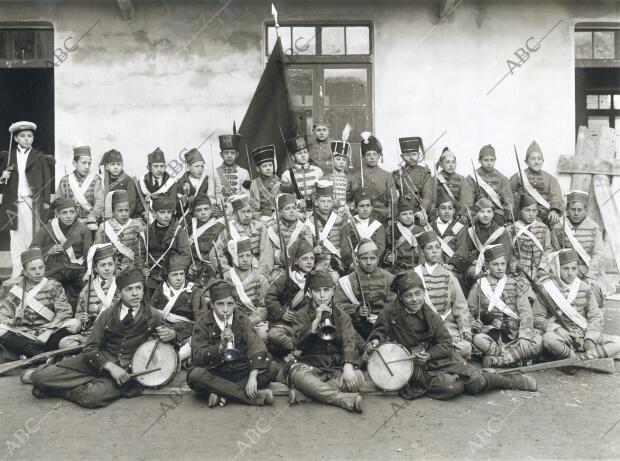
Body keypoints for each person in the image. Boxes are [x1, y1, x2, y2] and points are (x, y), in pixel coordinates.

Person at [366, 271, 536, 401]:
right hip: (409, 364)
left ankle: (510, 381)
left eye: (418, 293)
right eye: (408, 296)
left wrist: (430, 355)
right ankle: (471, 377)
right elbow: (379, 330)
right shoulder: (390, 312)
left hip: (438, 358)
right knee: (449, 387)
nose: (414, 299)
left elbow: (446, 343)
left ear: (423, 292)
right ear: (401, 297)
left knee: (476, 381)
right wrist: (375, 340)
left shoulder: (429, 315)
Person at [29, 267, 175, 408]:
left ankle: (56, 390)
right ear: (120, 292)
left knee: (91, 397)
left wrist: (172, 335)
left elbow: (172, 344)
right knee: (39, 377)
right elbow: (90, 348)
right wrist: (109, 366)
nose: (135, 293)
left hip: (125, 372)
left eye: (138, 288)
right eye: (128, 289)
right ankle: (73, 383)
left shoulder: (153, 315)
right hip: (96, 362)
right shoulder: (107, 315)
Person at [187, 280, 279, 407]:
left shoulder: (242, 319)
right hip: (216, 372)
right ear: (212, 305)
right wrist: (219, 348)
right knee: (195, 375)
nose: (225, 309)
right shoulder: (203, 323)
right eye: (220, 304)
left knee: (273, 367)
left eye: (230, 304)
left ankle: (222, 393)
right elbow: (197, 356)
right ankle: (252, 397)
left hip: (240, 370)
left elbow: (255, 345)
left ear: (235, 303)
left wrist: (252, 377)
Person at [287, 271, 364, 412]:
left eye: (326, 290)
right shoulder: (301, 315)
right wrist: (315, 322)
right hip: (311, 366)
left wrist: (347, 366)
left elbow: (349, 342)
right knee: (296, 375)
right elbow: (297, 344)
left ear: (333, 291)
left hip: (336, 368)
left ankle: (306, 395)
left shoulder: (343, 316)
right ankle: (341, 399)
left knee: (358, 376)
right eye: (317, 291)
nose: (322, 296)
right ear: (310, 293)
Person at [534, 249, 620, 363]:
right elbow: (536, 318)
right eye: (565, 268)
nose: (570, 273)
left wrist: (590, 339)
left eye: (574, 268)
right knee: (548, 339)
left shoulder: (584, 288)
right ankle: (576, 357)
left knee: (617, 342)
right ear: (558, 268)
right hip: (561, 338)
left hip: (583, 336)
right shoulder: (547, 289)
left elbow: (596, 317)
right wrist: (557, 328)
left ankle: (581, 359)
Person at [468, 245, 542, 368]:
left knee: (538, 341)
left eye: (502, 264)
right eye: (495, 264)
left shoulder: (515, 284)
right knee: (478, 339)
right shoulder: (479, 286)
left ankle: (498, 360)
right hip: (492, 333)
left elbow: (525, 312)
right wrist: (473, 323)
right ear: (487, 265)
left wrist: (524, 337)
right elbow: (469, 310)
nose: (500, 268)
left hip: (515, 332)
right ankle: (514, 358)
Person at [0, 248, 74, 363]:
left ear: (45, 267)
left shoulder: (54, 286)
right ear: (24, 272)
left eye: (41, 267)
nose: (38, 272)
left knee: (73, 324)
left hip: (48, 333)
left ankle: (25, 354)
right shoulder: (16, 290)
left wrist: (48, 331)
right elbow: (3, 316)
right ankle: (39, 355)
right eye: (33, 269)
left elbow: (65, 312)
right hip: (24, 335)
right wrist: (12, 320)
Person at [0, 121, 52, 278]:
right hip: (13, 203)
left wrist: (45, 202)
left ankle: (33, 271)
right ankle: (17, 272)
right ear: (15, 138)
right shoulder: (7, 156)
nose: (26, 139)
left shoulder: (39, 157)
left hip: (32, 202)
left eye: (29, 136)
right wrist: (3, 176)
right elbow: (2, 183)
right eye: (22, 136)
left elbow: (46, 179)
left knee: (33, 235)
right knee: (16, 237)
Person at [413, 230, 472, 359]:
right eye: (429, 248)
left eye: (437, 247)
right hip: (424, 328)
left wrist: (464, 330)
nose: (435, 251)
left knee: (466, 348)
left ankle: (435, 355)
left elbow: (460, 305)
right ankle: (439, 355)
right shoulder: (414, 275)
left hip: (448, 328)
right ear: (421, 252)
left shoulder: (449, 275)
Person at [31, 197, 93, 310]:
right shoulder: (47, 229)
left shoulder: (84, 230)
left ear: (76, 212)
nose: (69, 216)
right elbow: (33, 249)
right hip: (55, 271)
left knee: (82, 294)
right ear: (57, 214)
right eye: (64, 213)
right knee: (48, 294)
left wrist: (87, 272)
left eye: (72, 212)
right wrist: (49, 250)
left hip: (77, 271)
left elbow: (89, 254)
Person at [550, 190, 605, 307]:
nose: (576, 213)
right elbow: (554, 252)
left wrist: (591, 275)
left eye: (580, 210)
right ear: (567, 210)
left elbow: (598, 254)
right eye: (572, 209)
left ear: (585, 210)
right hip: (565, 270)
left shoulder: (594, 228)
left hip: (588, 271)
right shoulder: (559, 227)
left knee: (593, 295)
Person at [58, 244, 119, 348]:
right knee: (64, 343)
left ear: (115, 265)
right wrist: (83, 320)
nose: (107, 268)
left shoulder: (120, 285)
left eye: (110, 264)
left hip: (113, 334)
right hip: (89, 334)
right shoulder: (87, 289)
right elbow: (79, 313)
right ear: (95, 268)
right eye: (102, 265)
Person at [333, 239, 395, 339]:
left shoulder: (389, 277)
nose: (369, 262)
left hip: (386, 325)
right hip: (357, 327)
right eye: (364, 258)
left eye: (372, 258)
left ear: (378, 259)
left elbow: (394, 304)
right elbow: (337, 306)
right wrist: (356, 310)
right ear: (357, 260)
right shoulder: (348, 281)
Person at [265, 239, 315, 354]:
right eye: (305, 258)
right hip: (289, 324)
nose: (309, 262)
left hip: (308, 323)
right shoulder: (287, 277)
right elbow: (270, 297)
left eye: (312, 258)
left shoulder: (316, 277)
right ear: (296, 261)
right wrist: (282, 312)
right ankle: (298, 348)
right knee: (274, 334)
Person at [150, 254, 198, 361]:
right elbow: (150, 314)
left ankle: (175, 360)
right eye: (174, 274)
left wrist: (176, 334)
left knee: (194, 342)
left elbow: (201, 323)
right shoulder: (161, 289)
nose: (179, 278)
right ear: (167, 276)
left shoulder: (194, 291)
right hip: (163, 334)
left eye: (182, 274)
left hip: (185, 335)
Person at [142, 196, 190, 300]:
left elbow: (186, 255)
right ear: (154, 214)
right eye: (162, 212)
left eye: (169, 212)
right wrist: (142, 268)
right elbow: (140, 254)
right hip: (151, 276)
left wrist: (173, 270)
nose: (167, 215)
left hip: (171, 276)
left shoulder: (179, 231)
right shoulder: (146, 233)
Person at [259, 193, 312, 282]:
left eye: (294, 208)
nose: (292, 211)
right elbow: (266, 255)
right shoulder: (271, 230)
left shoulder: (304, 229)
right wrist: (278, 256)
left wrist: (289, 256)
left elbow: (307, 254)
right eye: (287, 208)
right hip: (277, 270)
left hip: (299, 270)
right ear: (280, 212)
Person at [224, 237, 270, 339]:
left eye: (248, 255)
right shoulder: (226, 277)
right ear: (234, 258)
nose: (245, 259)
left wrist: (249, 321)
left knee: (262, 333)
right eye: (241, 256)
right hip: (231, 319)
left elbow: (265, 306)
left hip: (255, 320)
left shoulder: (261, 278)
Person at [509, 140, 563, 226]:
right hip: (525, 212)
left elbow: (556, 196)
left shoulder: (550, 178)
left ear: (543, 161)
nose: (536, 162)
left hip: (544, 212)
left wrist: (554, 210)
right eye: (533, 159)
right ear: (526, 161)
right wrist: (518, 201)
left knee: (557, 226)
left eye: (539, 159)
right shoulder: (519, 176)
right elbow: (508, 193)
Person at [461, 144, 514, 226]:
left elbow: (508, 201)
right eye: (486, 160)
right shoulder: (471, 178)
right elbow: (468, 201)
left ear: (495, 160)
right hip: (478, 214)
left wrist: (508, 218)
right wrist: (469, 216)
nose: (489, 163)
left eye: (492, 160)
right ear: (479, 160)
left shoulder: (502, 178)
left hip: (497, 215)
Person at [464, 198, 512, 288]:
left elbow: (506, 254)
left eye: (489, 212)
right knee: (475, 274)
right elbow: (465, 250)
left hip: (497, 266)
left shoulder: (501, 232)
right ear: (476, 214)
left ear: (493, 214)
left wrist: (489, 264)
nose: (486, 215)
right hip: (476, 265)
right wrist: (473, 260)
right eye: (482, 212)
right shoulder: (470, 231)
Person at [95, 190, 145, 274]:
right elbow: (98, 250)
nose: (124, 214)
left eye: (126, 210)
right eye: (120, 210)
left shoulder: (137, 225)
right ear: (113, 212)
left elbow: (142, 249)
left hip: (132, 267)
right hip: (111, 269)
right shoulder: (104, 227)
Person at [350, 132, 396, 224]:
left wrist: (391, 217)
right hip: (362, 217)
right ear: (363, 157)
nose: (372, 157)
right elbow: (355, 198)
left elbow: (393, 200)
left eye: (374, 154)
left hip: (383, 218)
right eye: (368, 154)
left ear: (379, 156)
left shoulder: (387, 176)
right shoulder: (357, 176)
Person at [57, 146, 104, 232]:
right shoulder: (65, 180)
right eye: (84, 163)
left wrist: (93, 215)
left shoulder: (96, 179)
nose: (87, 166)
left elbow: (100, 201)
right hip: (70, 222)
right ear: (74, 163)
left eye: (89, 163)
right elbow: (59, 202)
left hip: (90, 222)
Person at [507, 193, 553, 281]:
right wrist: (515, 265)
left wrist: (543, 268)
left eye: (534, 210)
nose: (531, 214)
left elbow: (548, 250)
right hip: (519, 273)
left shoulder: (543, 228)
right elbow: (508, 253)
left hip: (540, 273)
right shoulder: (511, 229)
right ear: (520, 211)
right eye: (527, 210)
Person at [216, 194, 266, 273]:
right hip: (236, 270)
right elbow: (219, 253)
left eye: (249, 211)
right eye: (243, 212)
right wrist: (227, 271)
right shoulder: (229, 230)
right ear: (236, 214)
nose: (247, 215)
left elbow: (266, 252)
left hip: (258, 268)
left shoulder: (260, 227)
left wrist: (262, 272)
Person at [304, 181, 345, 275]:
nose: (326, 204)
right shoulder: (310, 222)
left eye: (329, 201)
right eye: (322, 201)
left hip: (338, 261)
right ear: (316, 202)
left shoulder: (339, 220)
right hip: (318, 262)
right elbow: (306, 246)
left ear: (332, 202)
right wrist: (313, 250)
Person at [340, 187, 386, 270]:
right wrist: (352, 263)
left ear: (372, 207)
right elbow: (345, 249)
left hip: (373, 265)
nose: (365, 209)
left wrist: (369, 262)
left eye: (368, 205)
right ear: (356, 208)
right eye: (361, 206)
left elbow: (380, 249)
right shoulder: (348, 225)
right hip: (355, 266)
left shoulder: (378, 226)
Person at [428, 188, 469, 279]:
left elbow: (462, 249)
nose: (447, 212)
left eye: (450, 208)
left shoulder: (460, 227)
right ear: (437, 211)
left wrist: (451, 266)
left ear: (454, 211)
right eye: (443, 208)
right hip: (432, 267)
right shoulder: (429, 227)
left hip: (453, 270)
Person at [187, 194, 225, 286]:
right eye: (199, 210)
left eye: (206, 209)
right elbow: (185, 251)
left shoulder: (220, 225)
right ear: (194, 213)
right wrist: (188, 266)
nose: (203, 213)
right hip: (196, 272)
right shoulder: (189, 227)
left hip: (215, 270)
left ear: (211, 210)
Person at [392, 137, 432, 225]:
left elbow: (427, 197)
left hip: (420, 213)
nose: (411, 158)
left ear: (418, 154)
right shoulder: (396, 174)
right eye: (407, 155)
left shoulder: (425, 172)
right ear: (402, 156)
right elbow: (394, 199)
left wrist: (423, 212)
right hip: (402, 214)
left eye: (414, 154)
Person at [281, 135, 323, 216]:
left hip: (317, 212)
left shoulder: (318, 171)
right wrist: (297, 203)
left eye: (305, 152)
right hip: (297, 213)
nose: (303, 155)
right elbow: (285, 197)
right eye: (299, 153)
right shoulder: (287, 175)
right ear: (293, 157)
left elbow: (322, 193)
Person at [135, 147, 179, 222]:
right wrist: (143, 212)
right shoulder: (141, 182)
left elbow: (172, 204)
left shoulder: (171, 183)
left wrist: (153, 196)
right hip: (146, 219)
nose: (159, 169)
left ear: (165, 167)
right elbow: (138, 201)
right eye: (156, 166)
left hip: (165, 219)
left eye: (162, 166)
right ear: (149, 167)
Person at [383, 195, 424, 272]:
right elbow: (385, 249)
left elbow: (423, 253)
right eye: (404, 214)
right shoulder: (391, 229)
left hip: (414, 267)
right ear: (398, 216)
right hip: (396, 268)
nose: (408, 217)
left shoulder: (420, 230)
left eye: (410, 213)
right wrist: (388, 257)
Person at [213, 126, 250, 208]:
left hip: (238, 210)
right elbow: (211, 195)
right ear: (221, 154)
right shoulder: (214, 172)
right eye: (226, 153)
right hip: (220, 212)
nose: (229, 156)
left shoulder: (244, 172)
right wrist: (216, 208)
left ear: (237, 155)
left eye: (232, 153)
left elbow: (246, 196)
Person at [431, 147, 468, 224]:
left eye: (453, 162)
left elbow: (465, 199)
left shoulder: (462, 179)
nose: (451, 165)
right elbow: (432, 200)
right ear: (441, 164)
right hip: (440, 215)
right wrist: (434, 213)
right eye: (447, 162)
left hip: (457, 216)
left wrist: (463, 213)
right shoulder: (435, 179)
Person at [99, 149, 137, 218]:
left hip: (124, 216)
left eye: (118, 164)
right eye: (112, 164)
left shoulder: (128, 181)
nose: (116, 167)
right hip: (107, 216)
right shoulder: (103, 181)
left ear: (122, 166)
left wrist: (124, 218)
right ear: (107, 167)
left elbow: (132, 204)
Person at [249, 145, 281, 223]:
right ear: (258, 169)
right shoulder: (254, 184)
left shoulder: (280, 182)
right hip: (260, 219)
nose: (268, 168)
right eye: (264, 166)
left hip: (277, 217)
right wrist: (254, 213)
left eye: (270, 165)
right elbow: (252, 202)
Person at [320, 139, 352, 216]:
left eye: (344, 159)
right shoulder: (325, 178)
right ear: (332, 160)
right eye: (338, 159)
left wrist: (349, 205)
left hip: (346, 212)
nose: (341, 162)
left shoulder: (350, 178)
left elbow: (353, 197)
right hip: (328, 212)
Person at [175, 148, 210, 218]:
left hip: (204, 216)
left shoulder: (206, 181)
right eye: (197, 166)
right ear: (188, 166)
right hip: (186, 218)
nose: (200, 170)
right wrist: (184, 201)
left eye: (202, 166)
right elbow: (176, 205)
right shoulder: (180, 182)